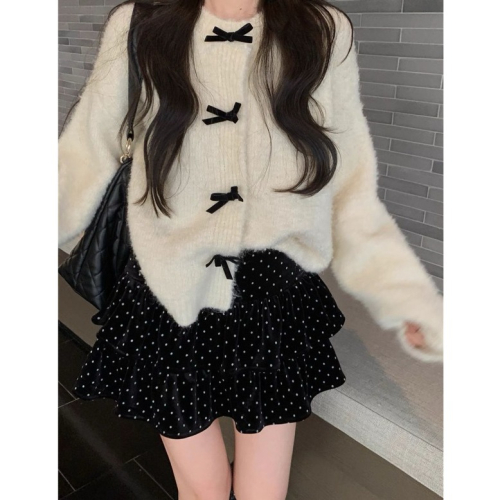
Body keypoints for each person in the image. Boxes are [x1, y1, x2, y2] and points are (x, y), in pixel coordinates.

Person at [58, 1, 443, 499]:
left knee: (264, 491)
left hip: (272, 294)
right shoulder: (139, 22)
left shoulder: (322, 28)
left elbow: (349, 182)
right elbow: (84, 153)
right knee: (202, 489)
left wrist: (403, 296)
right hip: (168, 290)